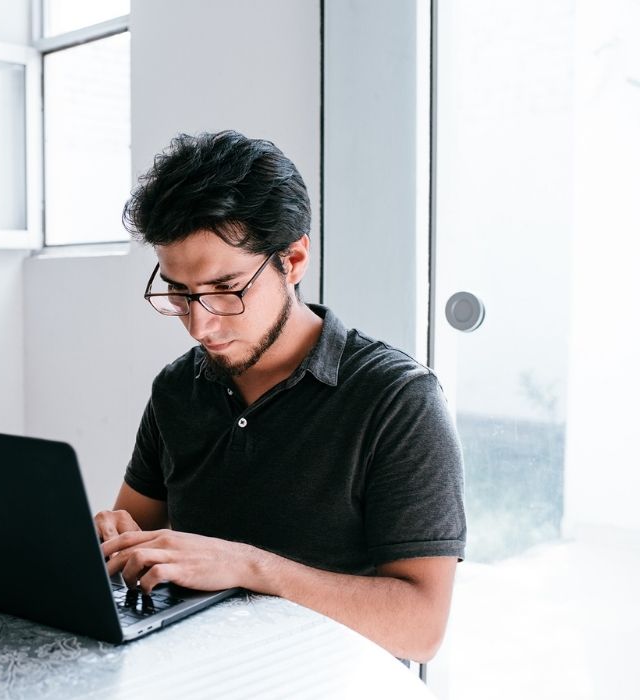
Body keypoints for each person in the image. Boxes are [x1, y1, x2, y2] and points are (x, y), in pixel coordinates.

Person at [94, 131, 466, 663]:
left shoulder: (398, 400)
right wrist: (110, 538)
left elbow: (421, 627)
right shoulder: (177, 388)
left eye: (226, 290)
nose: (200, 325)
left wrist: (249, 566)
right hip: (194, 673)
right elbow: (134, 534)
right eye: (180, 293)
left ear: (293, 260)